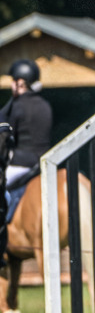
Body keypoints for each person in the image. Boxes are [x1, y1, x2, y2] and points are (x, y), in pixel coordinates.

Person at [1, 59, 53, 214]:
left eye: (13, 81)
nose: (11, 85)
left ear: (21, 82)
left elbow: (6, 138)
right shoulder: (45, 105)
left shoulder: (16, 107)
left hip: (21, 164)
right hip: (44, 162)